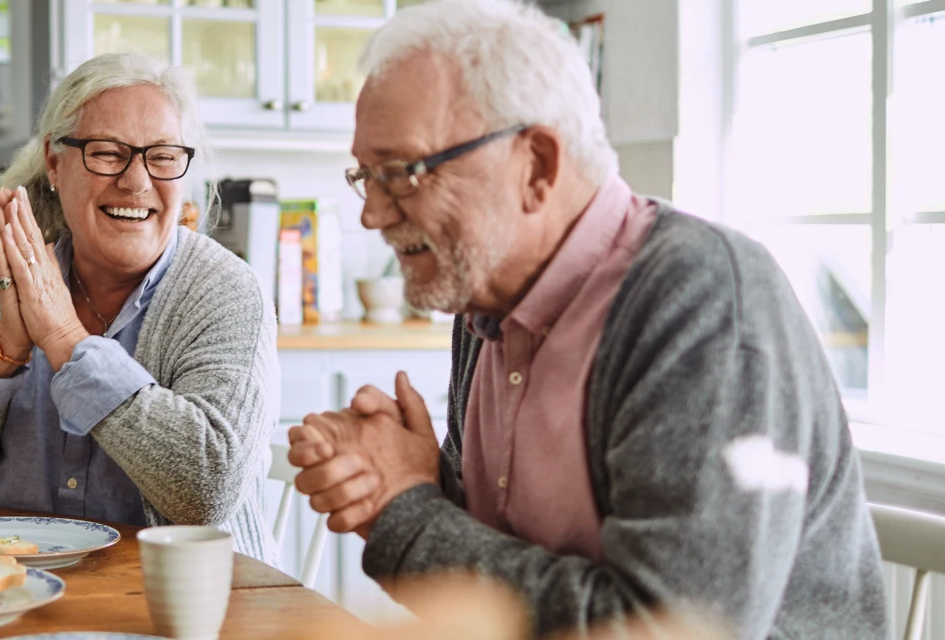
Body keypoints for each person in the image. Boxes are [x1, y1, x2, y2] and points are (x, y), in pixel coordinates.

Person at [285, 1, 890, 637]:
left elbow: (664, 628)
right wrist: (412, 483)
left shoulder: (699, 300)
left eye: (403, 173)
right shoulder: (483, 300)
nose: (372, 214)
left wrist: (406, 508)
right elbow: (491, 570)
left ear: (537, 166)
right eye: (365, 176)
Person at [0, 53, 277, 562]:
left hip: (176, 611)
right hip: (8, 593)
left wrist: (65, 339)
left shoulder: (225, 291)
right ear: (56, 163)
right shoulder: (8, 282)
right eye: (107, 153)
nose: (136, 181)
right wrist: (4, 350)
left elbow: (207, 489)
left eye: (164, 156)